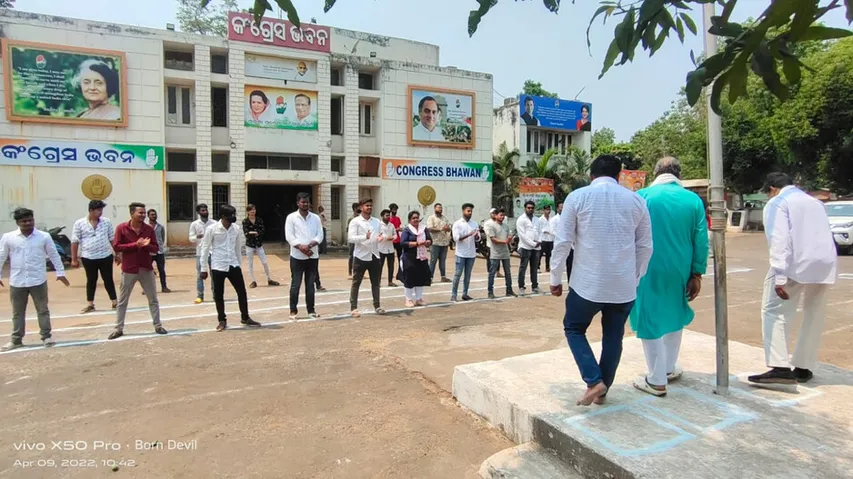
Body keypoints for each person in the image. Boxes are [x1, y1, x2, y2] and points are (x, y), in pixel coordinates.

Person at [550, 155, 653, 406]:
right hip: (623, 287)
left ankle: (594, 381)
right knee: (613, 337)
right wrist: (636, 277)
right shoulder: (637, 201)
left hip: (587, 284)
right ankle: (603, 389)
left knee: (574, 328)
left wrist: (555, 276)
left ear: (591, 175)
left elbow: (562, 242)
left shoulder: (577, 197)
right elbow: (645, 246)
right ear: (619, 175)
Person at [748, 172, 837, 385]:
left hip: (795, 262)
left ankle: (779, 367)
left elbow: (779, 239)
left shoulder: (778, 202)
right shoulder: (814, 202)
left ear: (772, 188)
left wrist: (779, 275)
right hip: (824, 262)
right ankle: (804, 366)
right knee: (814, 313)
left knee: (774, 311)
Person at [630, 158, 708, 396]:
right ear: (678, 174)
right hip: (681, 268)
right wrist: (697, 273)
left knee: (649, 316)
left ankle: (655, 378)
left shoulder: (642, 197)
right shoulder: (693, 200)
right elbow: (701, 240)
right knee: (675, 313)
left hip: (647, 267)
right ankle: (668, 368)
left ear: (656, 173)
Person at [0, 208, 69, 351]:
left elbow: (53, 254)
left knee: (42, 309)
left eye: (30, 220)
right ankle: (16, 339)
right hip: (17, 281)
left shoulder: (43, 236)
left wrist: (60, 272)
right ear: (18, 222)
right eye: (24, 221)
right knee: (17, 312)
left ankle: (46, 337)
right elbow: (2, 256)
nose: (28, 223)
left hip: (38, 279)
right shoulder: (8, 237)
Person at [110, 203, 169, 340]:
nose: (143, 215)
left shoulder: (148, 229)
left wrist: (147, 246)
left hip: (146, 268)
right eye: (140, 213)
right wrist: (135, 245)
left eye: (144, 213)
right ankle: (118, 328)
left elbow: (155, 248)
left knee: (153, 299)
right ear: (132, 214)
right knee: (123, 300)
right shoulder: (122, 228)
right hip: (129, 268)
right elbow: (117, 246)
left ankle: (158, 325)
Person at [200, 205, 261, 332]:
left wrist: (238, 264)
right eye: (230, 215)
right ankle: (222, 320)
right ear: (222, 216)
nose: (233, 217)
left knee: (242, 292)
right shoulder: (212, 229)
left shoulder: (236, 229)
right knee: (218, 294)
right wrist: (203, 268)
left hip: (233, 264)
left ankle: (245, 317)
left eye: (234, 214)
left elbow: (238, 248)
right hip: (218, 265)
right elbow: (205, 248)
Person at [71, 200, 118, 313]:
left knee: (108, 279)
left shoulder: (106, 222)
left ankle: (115, 302)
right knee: (91, 280)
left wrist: (117, 254)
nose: (100, 212)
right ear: (91, 210)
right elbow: (74, 241)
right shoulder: (79, 223)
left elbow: (112, 239)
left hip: (105, 255)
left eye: (101, 210)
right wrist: (74, 259)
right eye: (98, 210)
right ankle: (90, 304)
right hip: (88, 256)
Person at [285, 193, 324, 320]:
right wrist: (301, 247)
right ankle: (293, 311)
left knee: (310, 284)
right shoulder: (291, 217)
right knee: (296, 284)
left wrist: (311, 244)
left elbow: (320, 235)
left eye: (307, 202)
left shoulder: (316, 218)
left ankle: (311, 310)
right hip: (297, 256)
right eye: (303, 202)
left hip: (312, 257)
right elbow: (289, 236)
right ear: (298, 203)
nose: (305, 204)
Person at [349, 199, 385, 316]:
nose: (369, 207)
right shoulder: (355, 221)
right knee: (356, 282)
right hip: (360, 256)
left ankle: (377, 305)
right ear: (361, 207)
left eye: (370, 206)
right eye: (367, 206)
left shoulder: (376, 221)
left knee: (376, 282)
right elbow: (351, 238)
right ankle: (353, 307)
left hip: (374, 255)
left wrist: (381, 237)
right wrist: (365, 237)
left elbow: (381, 234)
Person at [242, 204, 280, 289]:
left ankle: (269, 279)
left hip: (258, 244)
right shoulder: (245, 221)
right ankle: (253, 280)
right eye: (251, 210)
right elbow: (246, 233)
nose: (253, 211)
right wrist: (254, 233)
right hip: (250, 245)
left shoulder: (259, 220)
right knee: (250, 263)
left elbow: (262, 230)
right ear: (248, 211)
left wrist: (256, 233)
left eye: (254, 209)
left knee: (264, 262)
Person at [400, 211, 432, 307]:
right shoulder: (407, 230)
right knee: (409, 278)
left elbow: (430, 240)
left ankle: (419, 298)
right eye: (413, 218)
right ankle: (408, 299)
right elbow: (403, 243)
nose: (416, 219)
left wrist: (427, 242)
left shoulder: (424, 229)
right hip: (409, 257)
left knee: (420, 278)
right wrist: (417, 244)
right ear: (410, 220)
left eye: (417, 218)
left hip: (421, 257)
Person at [451, 203, 480, 302]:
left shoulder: (474, 223)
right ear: (463, 211)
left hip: (471, 253)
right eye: (468, 211)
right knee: (458, 274)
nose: (470, 213)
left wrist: (476, 236)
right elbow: (456, 238)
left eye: (471, 211)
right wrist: (469, 234)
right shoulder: (457, 224)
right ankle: (454, 294)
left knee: (468, 275)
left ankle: (465, 293)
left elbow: (478, 238)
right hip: (461, 253)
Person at [485, 208, 516, 299]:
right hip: (495, 252)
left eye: (503, 215)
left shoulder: (506, 226)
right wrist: (505, 241)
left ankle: (509, 290)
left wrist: (511, 240)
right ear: (496, 215)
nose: (502, 217)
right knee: (492, 272)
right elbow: (493, 239)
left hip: (505, 252)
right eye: (500, 215)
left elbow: (508, 238)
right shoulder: (492, 226)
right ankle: (490, 291)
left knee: (508, 272)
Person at [189, 204, 216, 304]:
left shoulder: (214, 223)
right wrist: (197, 236)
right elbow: (190, 238)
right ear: (198, 212)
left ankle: (215, 294)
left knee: (215, 274)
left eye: (206, 210)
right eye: (203, 210)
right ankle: (200, 295)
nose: (205, 212)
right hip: (200, 253)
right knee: (200, 275)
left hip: (213, 252)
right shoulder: (195, 224)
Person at [516, 200, 542, 295]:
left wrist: (539, 241)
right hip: (525, 247)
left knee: (534, 268)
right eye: (528, 208)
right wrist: (533, 243)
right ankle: (521, 287)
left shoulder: (537, 219)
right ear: (525, 208)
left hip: (536, 248)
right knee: (523, 267)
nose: (530, 209)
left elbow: (540, 231)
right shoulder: (521, 219)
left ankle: (535, 286)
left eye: (532, 208)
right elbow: (522, 235)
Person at [426, 203, 452, 283]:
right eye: (438, 208)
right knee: (433, 260)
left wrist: (448, 228)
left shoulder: (444, 218)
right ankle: (429, 278)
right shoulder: (431, 218)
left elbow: (448, 227)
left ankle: (443, 277)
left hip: (444, 243)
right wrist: (441, 229)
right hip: (435, 243)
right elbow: (429, 229)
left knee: (443, 260)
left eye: (441, 208)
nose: (440, 209)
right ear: (434, 209)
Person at [147, 209, 171, 293]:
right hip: (149, 252)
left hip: (159, 251)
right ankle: (147, 288)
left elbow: (162, 238)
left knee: (161, 270)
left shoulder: (160, 227)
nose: (154, 216)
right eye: (152, 215)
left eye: (155, 214)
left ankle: (164, 287)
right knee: (147, 271)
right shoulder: (145, 227)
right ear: (148, 216)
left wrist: (160, 246)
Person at [377, 209, 398, 287]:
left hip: (390, 248)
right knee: (380, 266)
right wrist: (386, 238)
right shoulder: (379, 225)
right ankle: (378, 282)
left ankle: (390, 281)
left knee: (391, 266)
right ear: (382, 216)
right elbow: (379, 234)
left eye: (389, 215)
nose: (388, 217)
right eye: (387, 215)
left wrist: (393, 238)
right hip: (381, 248)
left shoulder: (391, 225)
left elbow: (395, 234)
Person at [538, 203, 555, 273]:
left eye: (549, 210)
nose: (548, 211)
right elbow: (540, 229)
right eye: (547, 210)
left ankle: (547, 267)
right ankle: (538, 267)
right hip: (543, 239)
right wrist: (546, 231)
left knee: (549, 254)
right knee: (540, 254)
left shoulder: (552, 218)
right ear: (544, 210)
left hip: (550, 239)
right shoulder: (540, 219)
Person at [346, 202, 360, 280]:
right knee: (351, 256)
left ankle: (357, 272)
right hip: (352, 241)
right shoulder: (351, 219)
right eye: (358, 208)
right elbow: (348, 230)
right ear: (355, 209)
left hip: (359, 240)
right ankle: (350, 273)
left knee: (358, 256)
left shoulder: (361, 218)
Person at [389, 203, 403, 268]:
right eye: (394, 210)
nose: (395, 211)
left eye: (396, 210)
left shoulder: (398, 218)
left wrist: (400, 229)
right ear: (391, 210)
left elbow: (399, 226)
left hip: (398, 240)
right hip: (391, 240)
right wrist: (396, 229)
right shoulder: (389, 219)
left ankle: (400, 272)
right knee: (391, 257)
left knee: (400, 256)